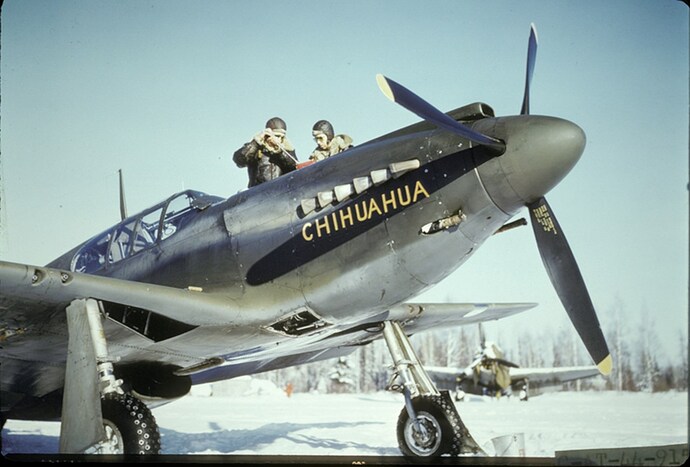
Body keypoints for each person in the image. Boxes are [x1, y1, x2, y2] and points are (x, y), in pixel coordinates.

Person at [233, 117, 298, 187]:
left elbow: (294, 168)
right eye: (276, 136)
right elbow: (239, 160)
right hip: (258, 192)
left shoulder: (286, 149)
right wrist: (255, 143)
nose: (279, 139)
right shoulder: (257, 148)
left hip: (279, 192)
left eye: (282, 137)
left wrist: (280, 152)